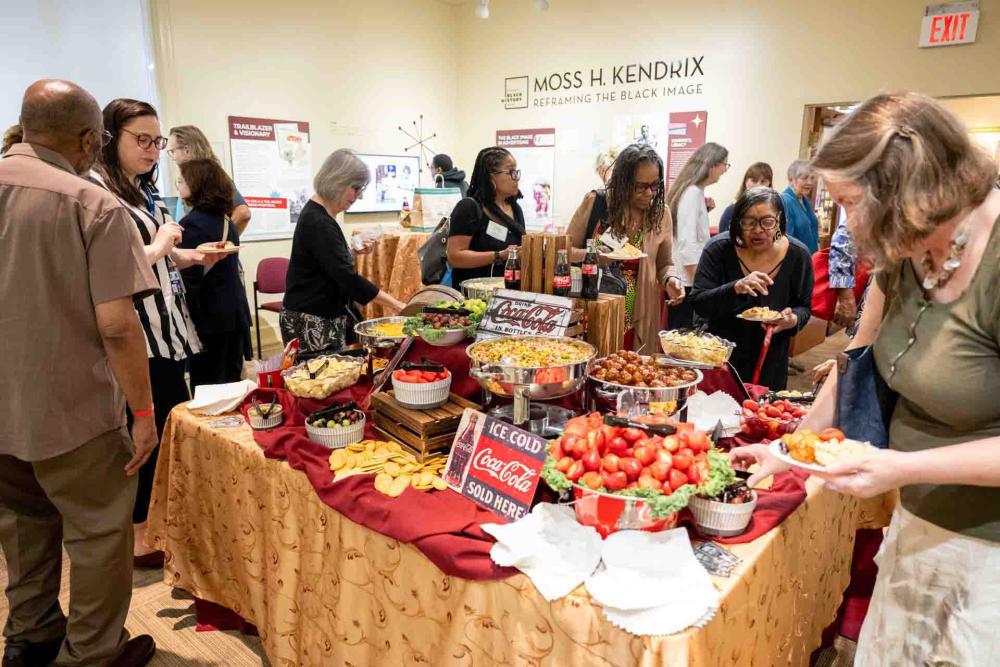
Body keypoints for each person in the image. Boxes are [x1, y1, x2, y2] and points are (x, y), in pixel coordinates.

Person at [732, 92, 1000, 666]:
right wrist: (789, 447)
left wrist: (904, 467)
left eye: (852, 204)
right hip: (919, 520)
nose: (848, 225)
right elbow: (859, 363)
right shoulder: (905, 252)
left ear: (905, 188)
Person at [0, 80, 160, 667]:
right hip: (70, 412)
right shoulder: (91, 204)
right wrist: (143, 415)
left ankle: (30, 636)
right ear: (91, 139)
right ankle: (91, 653)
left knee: (20, 526)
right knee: (98, 534)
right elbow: (118, 326)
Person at [93, 98, 220, 567]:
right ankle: (139, 533)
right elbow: (107, 271)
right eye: (141, 140)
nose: (152, 150)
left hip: (168, 328)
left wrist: (190, 255)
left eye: (157, 141)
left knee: (168, 421)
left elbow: (159, 258)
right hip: (137, 334)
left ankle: (161, 521)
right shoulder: (99, 192)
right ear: (111, 138)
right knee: (142, 430)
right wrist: (162, 244)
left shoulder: (140, 189)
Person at [281, 149, 405, 353]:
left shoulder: (319, 215)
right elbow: (347, 278)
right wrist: (397, 304)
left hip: (314, 313)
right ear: (337, 181)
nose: (359, 195)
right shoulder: (320, 222)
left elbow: (325, 261)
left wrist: (351, 252)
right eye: (355, 188)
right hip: (312, 318)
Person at [689, 187, 813, 389]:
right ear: (737, 222)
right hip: (720, 359)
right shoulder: (719, 249)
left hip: (770, 359)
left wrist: (791, 320)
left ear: (779, 220)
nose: (758, 230)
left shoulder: (798, 255)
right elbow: (698, 302)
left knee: (763, 417)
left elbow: (804, 307)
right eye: (748, 221)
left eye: (767, 221)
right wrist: (736, 287)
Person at [566, 144, 685, 351]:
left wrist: (670, 280)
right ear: (623, 182)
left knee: (630, 370)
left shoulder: (661, 214)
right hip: (595, 308)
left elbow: (665, 263)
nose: (649, 193)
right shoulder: (598, 203)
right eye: (640, 186)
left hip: (641, 310)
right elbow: (564, 252)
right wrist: (592, 256)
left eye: (655, 185)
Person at [175, 158, 252, 389]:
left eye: (181, 181)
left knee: (208, 386)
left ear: (196, 185)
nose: (178, 185)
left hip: (209, 319)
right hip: (234, 312)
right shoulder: (226, 221)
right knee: (232, 382)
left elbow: (191, 280)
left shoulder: (190, 225)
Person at [665, 142, 730, 329]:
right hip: (687, 279)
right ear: (712, 165)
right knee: (682, 336)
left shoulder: (695, 191)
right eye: (724, 165)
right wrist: (699, 282)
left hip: (687, 278)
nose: (725, 170)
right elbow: (687, 242)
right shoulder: (692, 192)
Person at [446, 146, 526, 286]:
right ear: (492, 177)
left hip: (508, 295)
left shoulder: (515, 209)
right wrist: (499, 256)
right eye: (511, 172)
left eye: (517, 172)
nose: (516, 178)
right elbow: (454, 257)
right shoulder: (469, 207)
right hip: (472, 297)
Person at [166, 125, 252, 233]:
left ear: (187, 150)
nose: (173, 157)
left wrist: (221, 242)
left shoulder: (213, 178)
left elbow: (243, 213)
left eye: (173, 151)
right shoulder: (189, 180)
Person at [719, 162, 773, 233]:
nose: (758, 186)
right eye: (754, 181)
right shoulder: (732, 211)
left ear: (769, 184)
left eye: (763, 182)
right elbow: (723, 241)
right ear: (745, 182)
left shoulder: (774, 211)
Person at [780, 160, 820, 253]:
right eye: (804, 178)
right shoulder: (785, 201)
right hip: (798, 261)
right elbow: (787, 239)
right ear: (791, 179)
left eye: (812, 178)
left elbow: (814, 233)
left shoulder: (805, 200)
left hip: (811, 259)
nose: (810, 182)